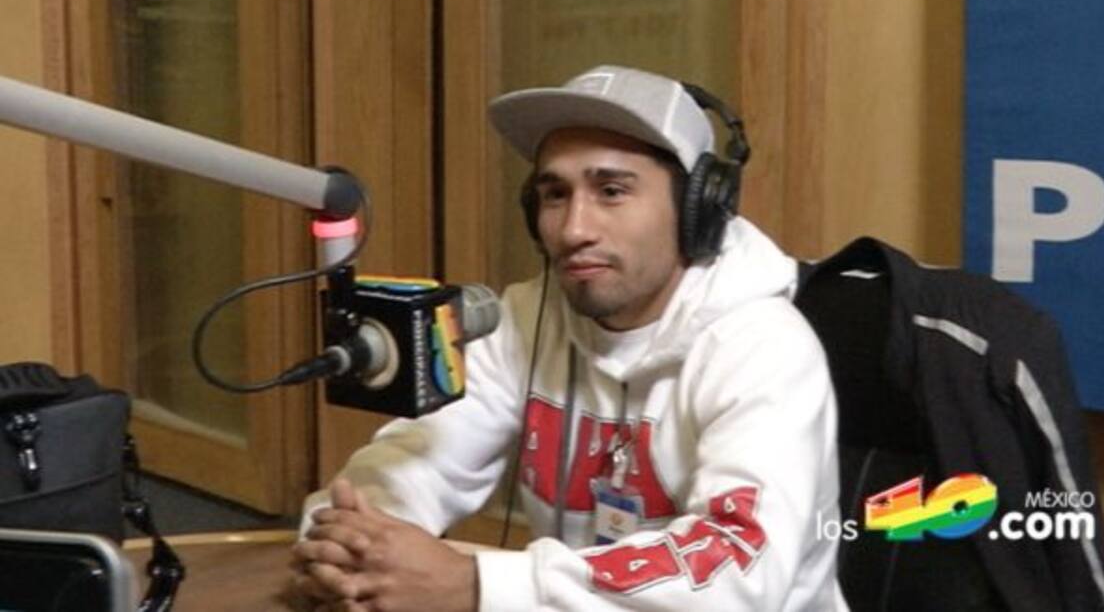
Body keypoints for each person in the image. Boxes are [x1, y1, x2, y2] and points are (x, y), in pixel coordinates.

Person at [291, 65, 846, 611]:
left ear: (697, 209)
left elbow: (734, 576)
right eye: (555, 195)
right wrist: (352, 543)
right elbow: (419, 456)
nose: (575, 229)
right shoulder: (526, 318)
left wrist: (475, 586)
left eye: (611, 191)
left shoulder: (765, 349)